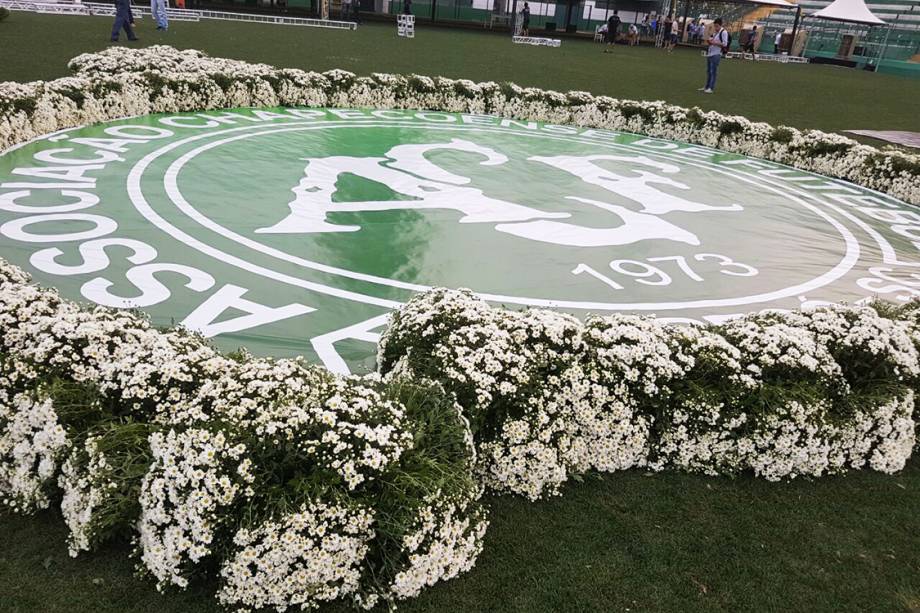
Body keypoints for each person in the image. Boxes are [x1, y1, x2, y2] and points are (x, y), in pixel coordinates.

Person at [699, 17, 728, 93]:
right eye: (715, 26)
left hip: (716, 54)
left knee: (713, 71)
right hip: (710, 53)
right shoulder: (715, 32)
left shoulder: (724, 32)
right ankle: (707, 86)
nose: (715, 28)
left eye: (717, 26)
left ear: (720, 25)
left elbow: (725, 44)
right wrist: (709, 41)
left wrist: (714, 43)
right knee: (709, 71)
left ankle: (711, 88)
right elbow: (711, 38)